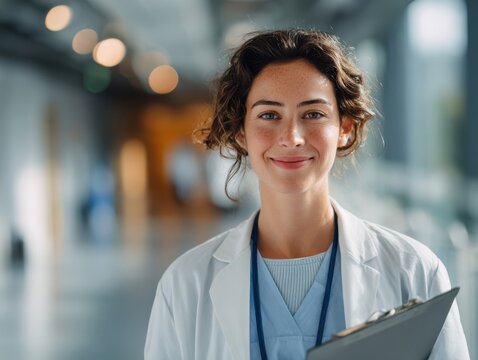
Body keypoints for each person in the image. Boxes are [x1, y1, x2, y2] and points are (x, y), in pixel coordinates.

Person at [144, 29, 469, 360]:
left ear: (345, 128)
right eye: (269, 115)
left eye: (313, 114)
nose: (292, 137)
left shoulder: (414, 271)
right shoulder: (185, 284)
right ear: (241, 130)